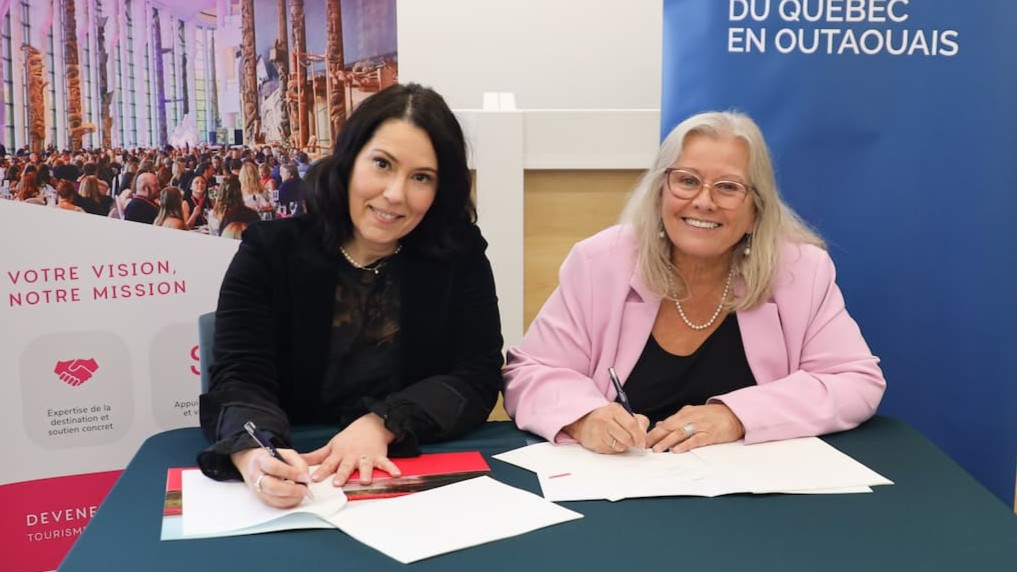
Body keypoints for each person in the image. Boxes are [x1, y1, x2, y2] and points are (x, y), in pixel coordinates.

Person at [503, 111, 885, 455]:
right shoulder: (599, 263)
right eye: (687, 181)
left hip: (755, 491)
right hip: (626, 483)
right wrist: (584, 417)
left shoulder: (800, 271)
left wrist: (736, 416)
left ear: (756, 210)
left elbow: (855, 382)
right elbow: (529, 373)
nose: (704, 201)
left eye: (728, 187)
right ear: (659, 194)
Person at [197, 83, 504, 508]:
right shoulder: (270, 253)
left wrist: (383, 423)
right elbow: (239, 378)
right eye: (382, 164)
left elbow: (477, 375)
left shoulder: (459, 255)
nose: (395, 194)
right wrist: (254, 455)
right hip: (302, 471)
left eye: (421, 177)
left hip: (405, 477)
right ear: (349, 160)